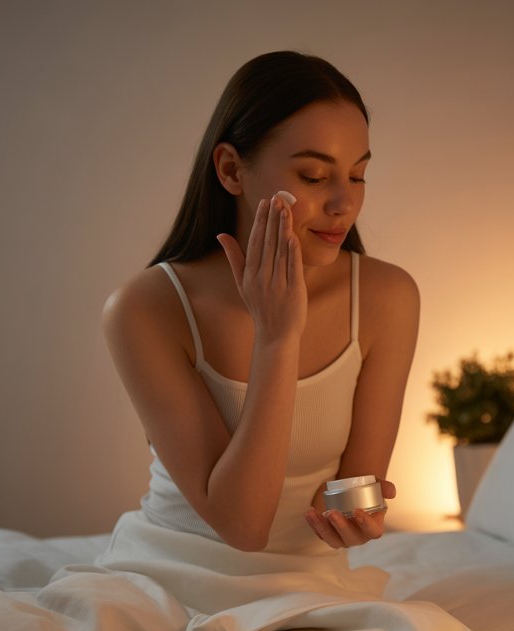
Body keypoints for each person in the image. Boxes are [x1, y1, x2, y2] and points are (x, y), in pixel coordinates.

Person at [103, 51, 419, 556]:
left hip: (309, 586)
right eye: (314, 177)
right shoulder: (145, 308)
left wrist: (355, 512)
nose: (343, 203)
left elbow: (348, 492)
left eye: (357, 176)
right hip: (168, 580)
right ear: (231, 170)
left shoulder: (387, 298)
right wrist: (277, 337)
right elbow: (243, 527)